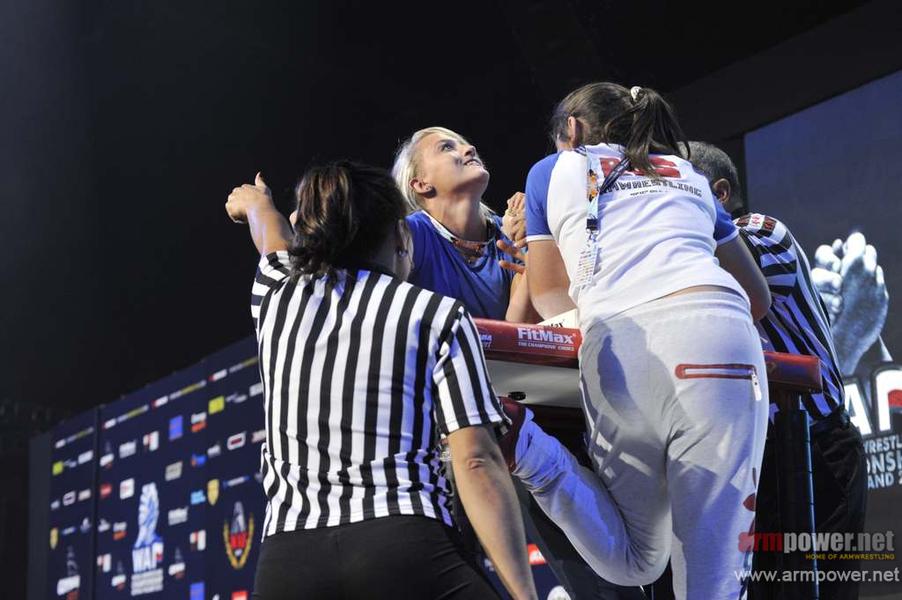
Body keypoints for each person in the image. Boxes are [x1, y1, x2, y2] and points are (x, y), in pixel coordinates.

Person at [502, 82, 772, 599]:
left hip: (621, 345)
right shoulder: (689, 174)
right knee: (715, 576)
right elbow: (756, 296)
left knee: (634, 561)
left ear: (573, 130)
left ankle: (530, 448)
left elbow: (549, 292)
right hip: (719, 338)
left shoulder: (551, 170)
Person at [224, 162, 537, 600]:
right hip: (404, 545)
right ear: (400, 236)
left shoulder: (276, 295)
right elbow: (475, 462)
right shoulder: (437, 314)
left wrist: (256, 204)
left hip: (288, 562)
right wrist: (523, 593)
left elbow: (271, 237)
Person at [394, 126, 636, 599]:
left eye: (468, 142)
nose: (467, 148)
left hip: (521, 414)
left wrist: (529, 263)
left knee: (592, 555)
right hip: (441, 435)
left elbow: (519, 335)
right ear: (421, 185)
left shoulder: (512, 235)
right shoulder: (411, 236)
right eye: (447, 147)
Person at [688, 141, 867, 600]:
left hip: (819, 450)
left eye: (682, 187)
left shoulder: (764, 233)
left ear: (720, 194)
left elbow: (700, 276)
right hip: (762, 460)